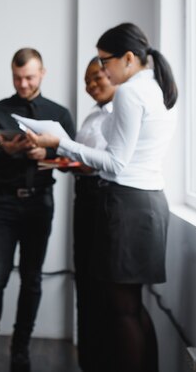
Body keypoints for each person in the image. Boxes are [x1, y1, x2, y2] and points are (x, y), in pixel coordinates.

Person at [27, 23, 178, 372]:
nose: (101, 69)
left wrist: (59, 142)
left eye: (104, 60)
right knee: (133, 307)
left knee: (121, 310)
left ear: (128, 58)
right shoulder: (156, 87)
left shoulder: (130, 92)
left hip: (126, 205)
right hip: (151, 203)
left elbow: (114, 162)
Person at [0, 48, 75, 372]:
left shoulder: (59, 114)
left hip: (40, 203)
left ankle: (21, 351)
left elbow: (70, 164)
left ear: (43, 73)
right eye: (17, 77)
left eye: (29, 77)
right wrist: (8, 151)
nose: (23, 83)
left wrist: (45, 152)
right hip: (3, 204)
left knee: (32, 280)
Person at [72, 57, 117, 372]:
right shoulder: (92, 115)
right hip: (84, 198)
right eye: (87, 80)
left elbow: (111, 161)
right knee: (84, 282)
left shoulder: (119, 116)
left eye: (96, 78)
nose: (90, 86)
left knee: (105, 288)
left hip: (105, 200)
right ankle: (88, 361)